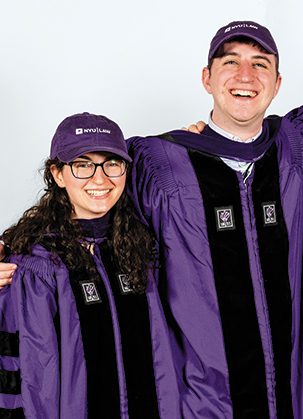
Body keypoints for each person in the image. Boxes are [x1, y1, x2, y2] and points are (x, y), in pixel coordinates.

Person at [124, 21, 303, 419]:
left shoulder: (299, 153)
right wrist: (15, 250)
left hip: (292, 399)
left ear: (277, 84)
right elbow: (86, 204)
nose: (246, 76)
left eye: (260, 64)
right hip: (202, 401)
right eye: (231, 62)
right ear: (207, 78)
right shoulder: (159, 164)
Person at [0, 113, 179, 418]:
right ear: (58, 174)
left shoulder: (141, 246)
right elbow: (32, 384)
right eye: (83, 165)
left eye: (112, 163)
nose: (100, 179)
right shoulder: (35, 265)